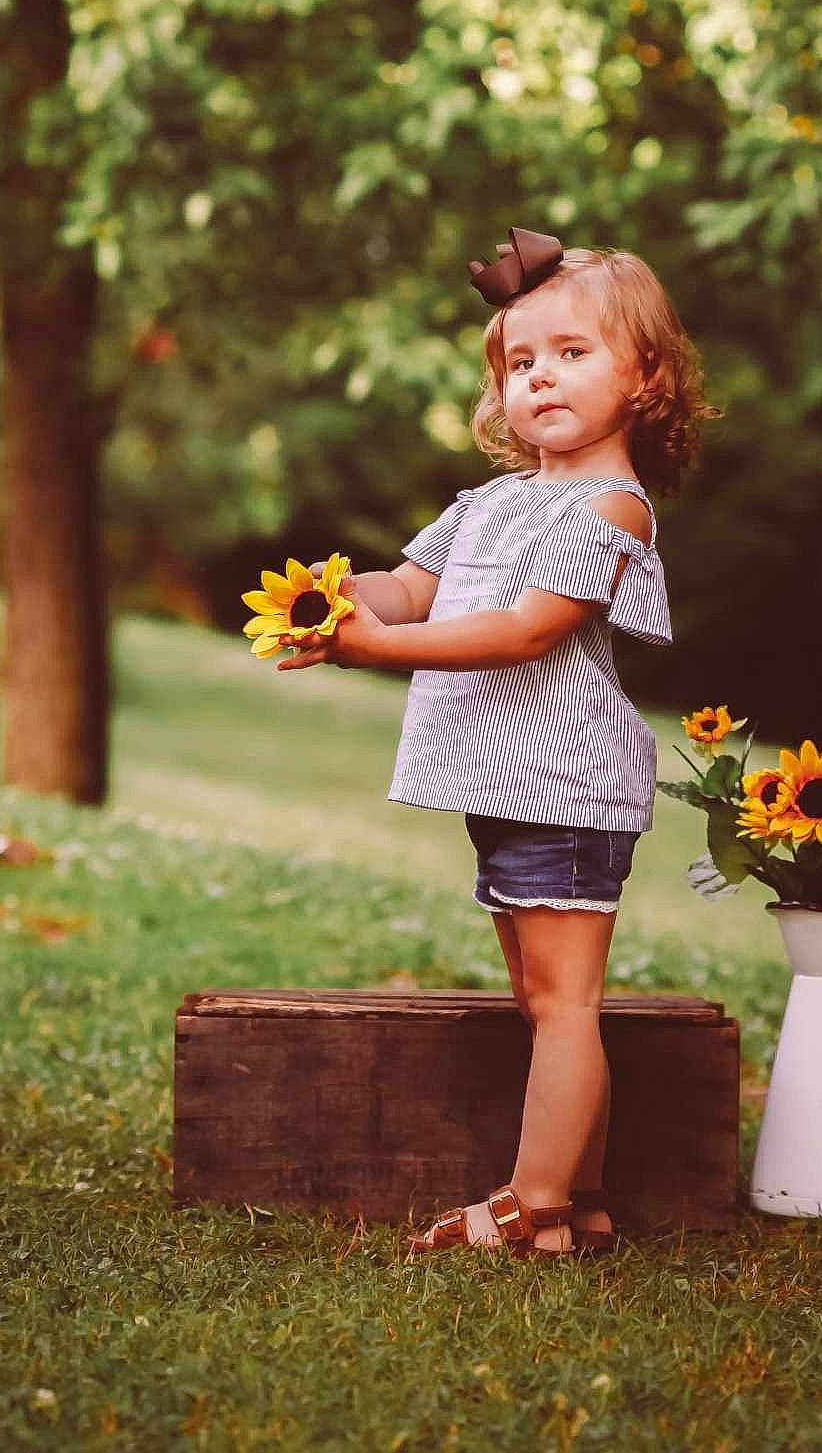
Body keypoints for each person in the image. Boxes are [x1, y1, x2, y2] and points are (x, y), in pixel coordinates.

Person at [279, 229, 712, 1259]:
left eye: (572, 352)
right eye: (520, 362)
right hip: (512, 788)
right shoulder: (492, 502)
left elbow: (525, 629)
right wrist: (335, 598)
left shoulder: (611, 509)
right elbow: (410, 587)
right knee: (542, 999)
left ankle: (534, 1204)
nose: (540, 377)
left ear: (645, 377)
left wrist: (379, 649)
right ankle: (581, 1203)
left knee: (564, 1004)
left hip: (566, 787)